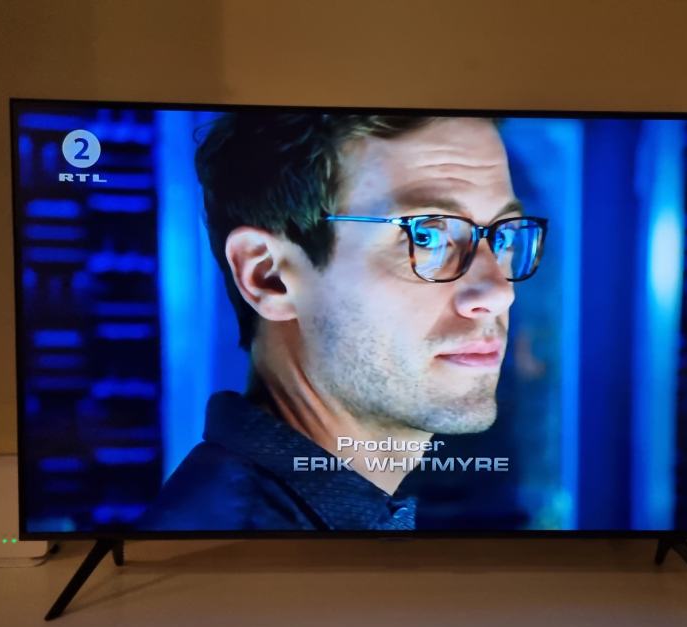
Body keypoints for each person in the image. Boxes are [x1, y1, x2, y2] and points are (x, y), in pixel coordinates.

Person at [139, 111, 547, 531]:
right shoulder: (233, 561)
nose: (499, 292)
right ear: (269, 277)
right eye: (426, 236)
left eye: (504, 235)